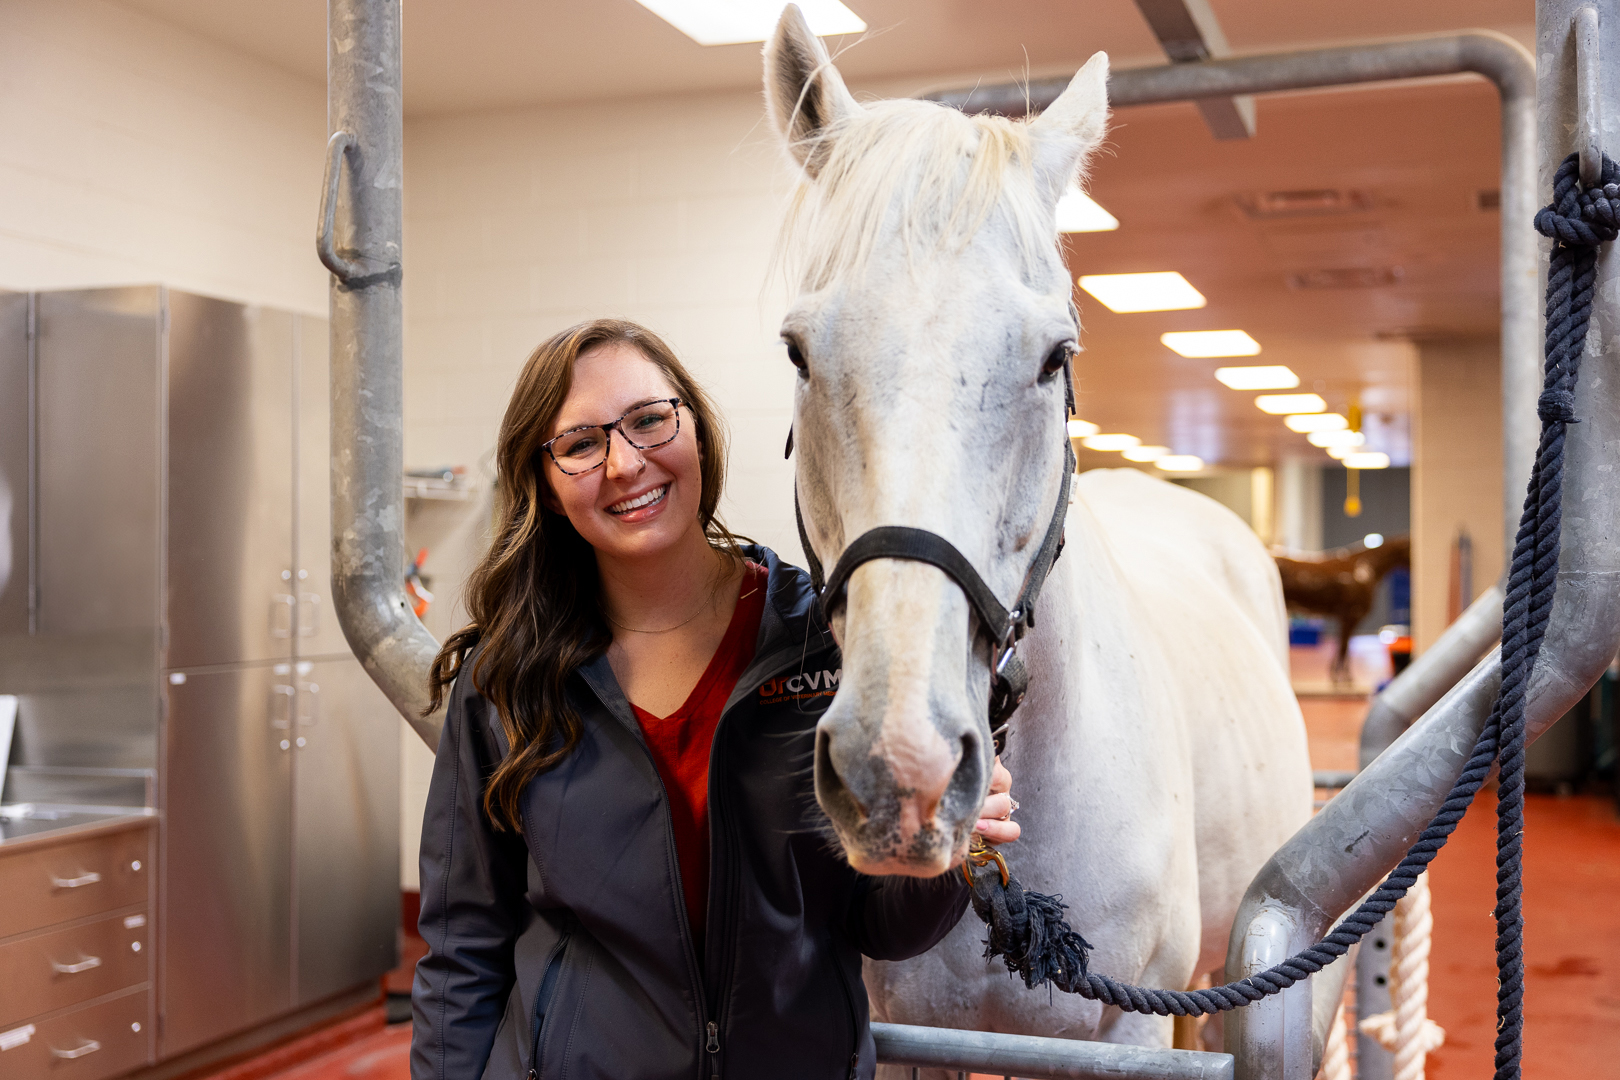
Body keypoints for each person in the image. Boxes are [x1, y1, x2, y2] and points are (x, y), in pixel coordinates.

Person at [410, 319, 1019, 1080]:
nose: (626, 463)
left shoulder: (827, 642)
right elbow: (463, 946)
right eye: (579, 444)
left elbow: (876, 924)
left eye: (648, 420)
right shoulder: (506, 680)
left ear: (694, 427)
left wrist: (945, 853)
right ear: (544, 481)